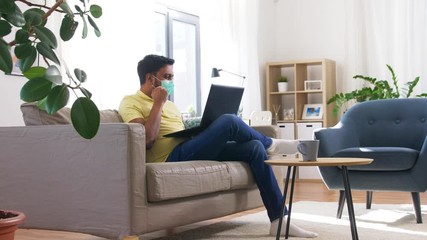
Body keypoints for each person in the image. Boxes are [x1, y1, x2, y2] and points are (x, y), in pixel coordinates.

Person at [118, 54, 318, 238]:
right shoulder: (130, 102)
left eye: (172, 77)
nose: (171, 82)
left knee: (255, 147)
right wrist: (158, 104)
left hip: (188, 148)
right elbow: (146, 139)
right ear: (151, 78)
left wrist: (203, 129)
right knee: (230, 121)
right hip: (169, 158)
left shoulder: (170, 104)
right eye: (167, 77)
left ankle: (278, 220)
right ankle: (273, 145)